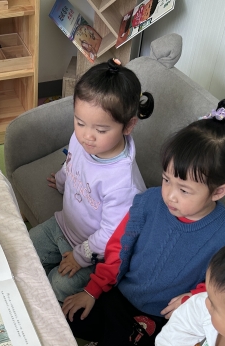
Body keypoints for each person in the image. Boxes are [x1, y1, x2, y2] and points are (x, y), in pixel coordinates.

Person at [62, 100, 225, 346]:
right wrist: (93, 290)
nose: (170, 195)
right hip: (121, 294)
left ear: (218, 191)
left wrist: (192, 299)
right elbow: (118, 250)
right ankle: (109, 341)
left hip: (157, 316)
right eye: (166, 180)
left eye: (184, 190)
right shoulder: (149, 202)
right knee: (74, 318)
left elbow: (223, 288)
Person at [29, 58, 154, 302]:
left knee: (57, 286)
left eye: (101, 130)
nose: (87, 135)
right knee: (26, 247)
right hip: (63, 225)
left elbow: (110, 234)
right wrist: (62, 180)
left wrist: (80, 256)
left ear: (128, 126)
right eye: (79, 122)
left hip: (92, 252)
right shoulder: (81, 140)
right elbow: (71, 162)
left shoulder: (123, 183)